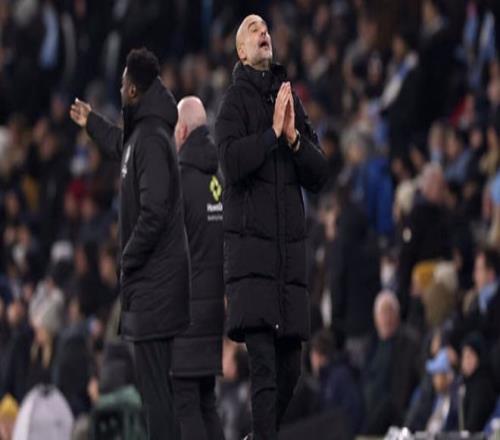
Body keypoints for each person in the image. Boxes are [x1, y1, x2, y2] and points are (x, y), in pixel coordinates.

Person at [215, 14, 328, 440]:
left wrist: (294, 139)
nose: (263, 32)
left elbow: (320, 174)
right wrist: (272, 134)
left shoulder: (289, 97)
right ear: (241, 52)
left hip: (287, 264)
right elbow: (231, 163)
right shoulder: (233, 103)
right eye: (252, 29)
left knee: (290, 370)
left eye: (265, 28)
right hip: (252, 261)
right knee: (263, 368)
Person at [69, 47, 190, 439]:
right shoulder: (142, 135)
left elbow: (155, 211)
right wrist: (92, 123)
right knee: (155, 390)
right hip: (152, 284)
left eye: (123, 84)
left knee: (157, 392)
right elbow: (121, 144)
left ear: (133, 90)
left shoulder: (152, 139)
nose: (120, 89)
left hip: (156, 284)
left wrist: (128, 257)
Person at [171, 96, 225, 440]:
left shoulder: (178, 182)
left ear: (183, 131)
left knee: (186, 403)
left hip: (185, 311)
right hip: (214, 311)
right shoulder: (218, 181)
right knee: (206, 402)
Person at [362, 291, 420, 435]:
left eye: (390, 312)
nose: (387, 318)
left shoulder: (409, 343)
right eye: (383, 313)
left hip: (397, 414)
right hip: (371, 413)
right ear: (376, 318)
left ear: (398, 315)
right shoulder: (370, 345)